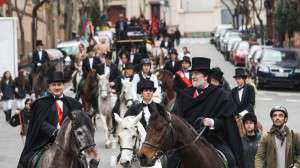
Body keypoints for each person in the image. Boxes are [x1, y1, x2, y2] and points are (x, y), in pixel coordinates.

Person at [172, 57, 244, 168]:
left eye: (197, 74)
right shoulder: (184, 95)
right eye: (193, 74)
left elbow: (227, 122)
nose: (193, 77)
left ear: (206, 76)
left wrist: (213, 122)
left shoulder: (221, 95)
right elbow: (176, 118)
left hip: (212, 140)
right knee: (170, 161)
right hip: (187, 142)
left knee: (230, 159)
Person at [18, 71, 82, 168]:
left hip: (69, 142)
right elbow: (39, 122)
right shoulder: (40, 103)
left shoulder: (74, 104)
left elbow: (78, 123)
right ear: (49, 87)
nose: (57, 87)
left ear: (63, 86)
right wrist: (54, 131)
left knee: (83, 161)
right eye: (54, 85)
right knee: (26, 160)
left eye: (59, 85)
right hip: (45, 141)